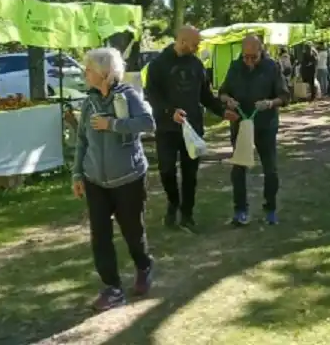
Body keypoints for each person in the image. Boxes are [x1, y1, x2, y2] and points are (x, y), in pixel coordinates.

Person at [72, 47, 156, 312]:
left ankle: (144, 266)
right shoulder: (89, 102)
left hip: (128, 177)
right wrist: (77, 173)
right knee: (100, 236)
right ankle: (112, 288)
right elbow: (82, 140)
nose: (85, 73)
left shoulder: (128, 95)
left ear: (104, 72)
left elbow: (147, 123)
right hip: (95, 179)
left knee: (132, 231)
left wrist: (113, 125)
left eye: (89, 69)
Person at [145, 26, 235, 231]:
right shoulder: (158, 64)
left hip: (192, 129)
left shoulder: (196, 65)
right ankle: (173, 203)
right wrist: (170, 112)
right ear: (182, 41)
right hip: (167, 128)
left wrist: (222, 112)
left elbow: (205, 95)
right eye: (195, 44)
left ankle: (187, 214)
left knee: (190, 173)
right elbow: (152, 95)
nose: (198, 47)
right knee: (166, 169)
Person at [220, 35, 290, 226]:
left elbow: (284, 96)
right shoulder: (235, 67)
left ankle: (270, 209)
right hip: (240, 124)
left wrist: (269, 103)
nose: (249, 61)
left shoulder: (272, 67)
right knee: (239, 167)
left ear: (262, 51)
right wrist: (228, 100)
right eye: (245, 57)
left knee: (270, 168)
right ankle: (240, 210)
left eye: (253, 57)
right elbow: (223, 92)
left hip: (265, 125)